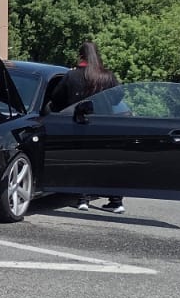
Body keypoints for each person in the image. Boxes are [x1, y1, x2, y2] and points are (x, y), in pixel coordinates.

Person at [48, 40, 126, 214]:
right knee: (108, 163)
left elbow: (56, 98)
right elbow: (117, 98)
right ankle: (116, 201)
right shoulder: (107, 76)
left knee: (81, 160)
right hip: (106, 125)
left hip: (80, 123)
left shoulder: (72, 76)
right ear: (97, 55)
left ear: (80, 55)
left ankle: (82, 199)